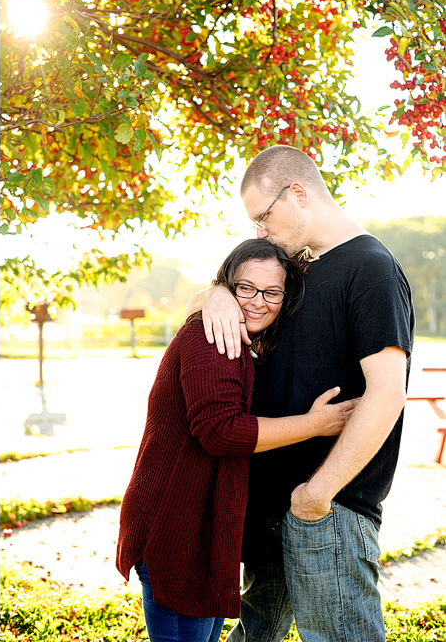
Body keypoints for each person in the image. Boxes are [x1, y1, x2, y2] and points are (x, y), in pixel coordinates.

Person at [193, 145, 414, 642]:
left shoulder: (371, 267)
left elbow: (387, 393)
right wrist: (216, 293)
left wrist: (316, 495)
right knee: (253, 636)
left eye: (263, 218)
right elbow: (249, 295)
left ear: (297, 194)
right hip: (273, 508)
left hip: (327, 510)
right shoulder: (300, 271)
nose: (259, 232)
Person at [116, 238, 356, 642]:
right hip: (176, 531)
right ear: (227, 285)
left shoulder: (242, 342)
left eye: (272, 292)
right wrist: (315, 424)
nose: (257, 301)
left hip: (200, 532)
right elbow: (221, 432)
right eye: (245, 288)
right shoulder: (212, 339)